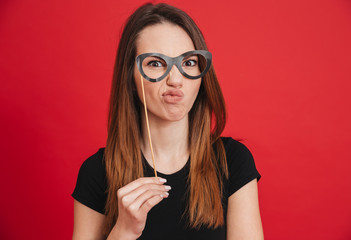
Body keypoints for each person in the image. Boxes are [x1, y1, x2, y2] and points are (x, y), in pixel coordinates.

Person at [72, 3, 263, 240]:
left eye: (189, 62)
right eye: (155, 63)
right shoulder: (97, 172)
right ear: (130, 78)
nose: (176, 79)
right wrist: (124, 230)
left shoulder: (232, 162)